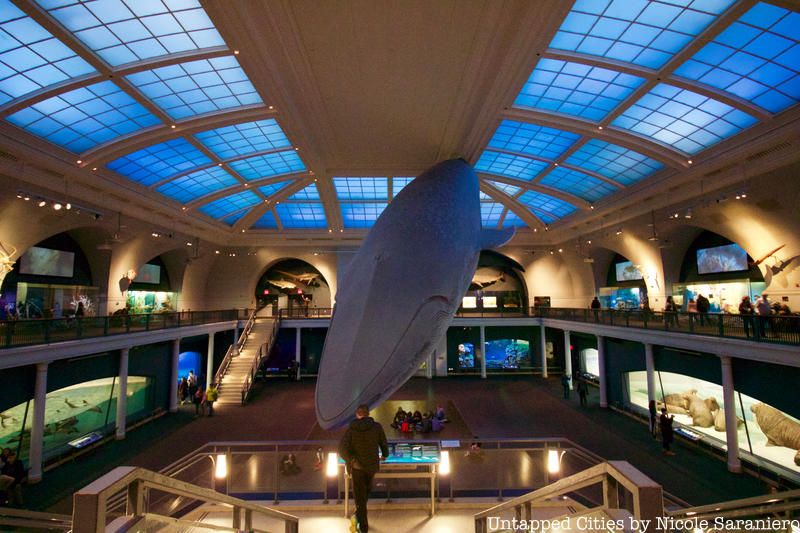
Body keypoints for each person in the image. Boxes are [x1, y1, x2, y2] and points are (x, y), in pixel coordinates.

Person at [338, 404, 388, 533]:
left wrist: (351, 459)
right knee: (365, 492)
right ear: (368, 414)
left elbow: (342, 449)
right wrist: (385, 455)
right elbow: (383, 442)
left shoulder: (351, 429)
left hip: (357, 468)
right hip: (371, 466)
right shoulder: (377, 427)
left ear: (357, 414)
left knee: (359, 497)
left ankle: (362, 526)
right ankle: (359, 516)